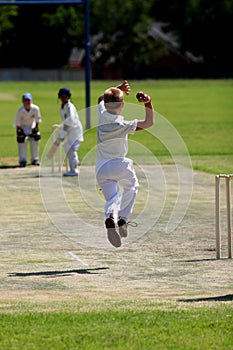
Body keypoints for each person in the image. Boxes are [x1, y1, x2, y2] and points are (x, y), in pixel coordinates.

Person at [96, 80, 154, 248]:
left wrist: (117, 89)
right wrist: (148, 103)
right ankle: (123, 219)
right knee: (132, 186)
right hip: (120, 165)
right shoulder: (123, 125)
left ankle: (110, 217)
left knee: (113, 198)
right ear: (122, 105)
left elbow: (101, 99)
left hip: (101, 168)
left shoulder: (101, 113)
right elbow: (148, 123)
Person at [57, 87, 84, 176]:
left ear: (69, 97)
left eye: (65, 96)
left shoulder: (69, 106)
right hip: (69, 131)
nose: (64, 98)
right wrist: (63, 132)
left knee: (71, 149)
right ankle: (74, 168)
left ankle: (74, 170)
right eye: (62, 96)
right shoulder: (62, 107)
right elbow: (65, 121)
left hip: (75, 131)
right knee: (67, 148)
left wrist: (63, 130)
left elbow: (71, 120)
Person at [13, 93, 42, 167]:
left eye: (29, 100)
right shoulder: (20, 110)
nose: (27, 102)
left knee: (36, 140)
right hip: (23, 128)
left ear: (31, 101)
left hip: (32, 127)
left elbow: (37, 120)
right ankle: (22, 160)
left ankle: (35, 159)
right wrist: (20, 132)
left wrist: (35, 129)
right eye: (26, 100)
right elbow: (17, 123)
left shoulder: (35, 108)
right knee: (22, 141)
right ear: (23, 101)